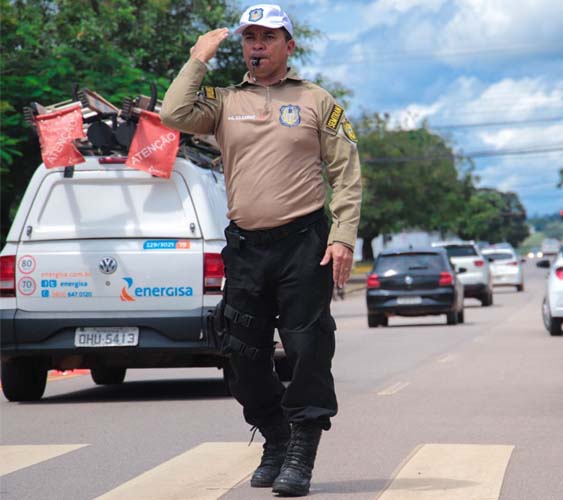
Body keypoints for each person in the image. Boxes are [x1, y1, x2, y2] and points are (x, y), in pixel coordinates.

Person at [161, 4, 362, 496]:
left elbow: (346, 172)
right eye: (250, 36)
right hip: (247, 248)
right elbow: (173, 114)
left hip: (304, 245)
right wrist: (198, 58)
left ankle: (301, 453)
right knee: (241, 353)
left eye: (268, 37)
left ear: (288, 47)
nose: (257, 44)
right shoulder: (223, 101)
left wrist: (343, 236)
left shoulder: (319, 101)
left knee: (308, 348)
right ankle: (274, 434)